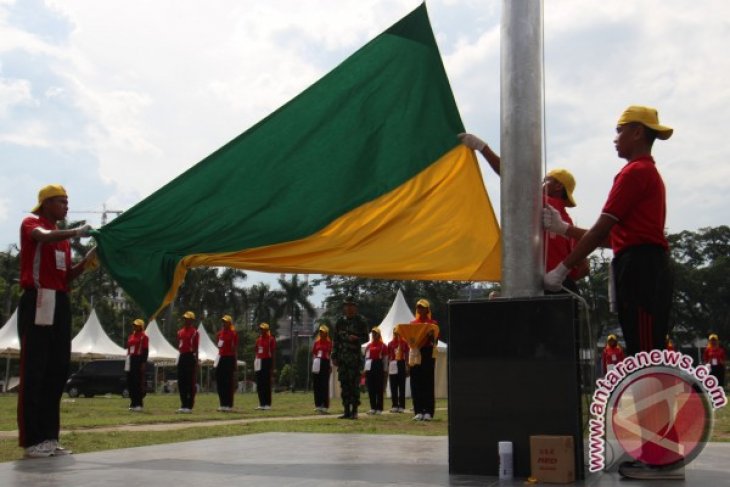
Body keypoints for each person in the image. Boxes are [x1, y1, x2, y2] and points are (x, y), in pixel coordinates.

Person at [543, 105, 676, 479]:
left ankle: (661, 458)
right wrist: (566, 231)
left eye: (619, 131)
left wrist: (563, 267)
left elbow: (604, 230)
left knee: (647, 362)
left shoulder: (635, 172)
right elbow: (614, 235)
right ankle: (658, 452)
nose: (615, 139)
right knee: (643, 359)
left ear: (636, 132)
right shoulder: (640, 173)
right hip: (635, 264)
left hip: (642, 269)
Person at [17, 184, 95, 458]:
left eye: (67, 201)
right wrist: (76, 232)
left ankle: (49, 438)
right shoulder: (32, 223)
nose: (66, 207)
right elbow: (41, 236)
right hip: (39, 298)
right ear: (46, 203)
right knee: (35, 370)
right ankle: (31, 440)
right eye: (61, 202)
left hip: (60, 300)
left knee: (57, 370)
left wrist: (88, 260)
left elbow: (66, 278)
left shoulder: (62, 241)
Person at [459, 133, 589, 291]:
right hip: (563, 287)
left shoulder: (545, 204)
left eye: (546, 180)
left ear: (558, 186)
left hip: (541, 287)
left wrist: (482, 147)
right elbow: (584, 267)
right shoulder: (567, 222)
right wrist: (561, 277)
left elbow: (512, 178)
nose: (540, 184)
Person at [332, 296, 369, 419]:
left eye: (351, 306)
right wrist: (334, 355)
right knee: (344, 385)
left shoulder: (360, 321)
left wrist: (357, 339)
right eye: (347, 306)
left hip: (354, 359)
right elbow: (335, 340)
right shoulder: (340, 322)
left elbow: (366, 338)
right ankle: (346, 410)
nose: (349, 308)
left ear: (355, 307)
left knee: (354, 385)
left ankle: (355, 411)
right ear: (344, 308)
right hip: (342, 359)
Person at [409, 299, 439, 421]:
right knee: (416, 382)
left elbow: (435, 341)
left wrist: (431, 336)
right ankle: (418, 410)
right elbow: (409, 339)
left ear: (427, 309)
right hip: (416, 352)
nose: (420, 309)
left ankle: (428, 412)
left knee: (427, 382)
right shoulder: (412, 323)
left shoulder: (433, 323)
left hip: (427, 354)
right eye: (418, 307)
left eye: (423, 307)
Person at [176, 311, 199, 413]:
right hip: (182, 356)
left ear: (192, 320)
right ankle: (183, 404)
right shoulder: (180, 332)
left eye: (188, 319)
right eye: (185, 318)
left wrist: (196, 360)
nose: (186, 320)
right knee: (181, 382)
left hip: (190, 356)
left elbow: (196, 348)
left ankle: (189, 405)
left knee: (190, 382)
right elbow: (180, 345)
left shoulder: (195, 332)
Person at [215, 315, 238, 412]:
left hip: (229, 358)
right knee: (220, 382)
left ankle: (229, 404)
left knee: (228, 382)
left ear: (230, 323)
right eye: (223, 321)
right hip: (220, 358)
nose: (224, 323)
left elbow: (235, 348)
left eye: (226, 322)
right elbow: (219, 345)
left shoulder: (233, 334)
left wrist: (235, 361)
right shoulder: (219, 334)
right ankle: (222, 404)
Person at [126, 318, 149, 412]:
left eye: (136, 325)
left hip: (138, 359)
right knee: (130, 382)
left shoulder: (144, 337)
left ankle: (139, 403)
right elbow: (128, 349)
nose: (134, 326)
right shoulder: (131, 336)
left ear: (141, 327)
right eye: (134, 325)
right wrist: (127, 361)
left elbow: (145, 351)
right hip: (131, 359)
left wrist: (143, 362)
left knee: (137, 382)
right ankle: (133, 402)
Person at [364, 327, 387, 415]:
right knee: (371, 388)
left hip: (378, 366)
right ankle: (373, 407)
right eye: (373, 333)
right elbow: (366, 358)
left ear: (379, 335)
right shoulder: (369, 346)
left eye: (375, 333)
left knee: (379, 388)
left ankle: (379, 408)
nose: (374, 335)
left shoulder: (383, 345)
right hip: (369, 367)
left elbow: (385, 359)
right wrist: (365, 369)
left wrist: (385, 370)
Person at [311, 323, 333, 414]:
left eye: (322, 332)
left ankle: (325, 405)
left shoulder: (329, 343)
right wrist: (314, 365)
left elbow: (331, 355)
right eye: (320, 332)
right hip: (317, 363)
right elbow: (314, 354)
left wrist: (330, 366)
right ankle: (318, 405)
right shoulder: (316, 342)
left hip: (325, 363)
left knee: (324, 385)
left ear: (326, 333)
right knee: (317, 385)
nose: (321, 333)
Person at [387, 326, 409, 413]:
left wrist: (407, 366)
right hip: (392, 363)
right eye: (395, 333)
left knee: (401, 385)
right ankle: (394, 405)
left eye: (398, 333)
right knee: (393, 385)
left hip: (401, 363)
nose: (396, 334)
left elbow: (407, 355)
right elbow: (389, 355)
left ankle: (402, 406)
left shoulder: (404, 343)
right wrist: (388, 366)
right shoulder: (390, 343)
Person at [254, 322, 276, 410]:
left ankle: (267, 404)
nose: (261, 331)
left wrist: (273, 366)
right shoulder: (258, 340)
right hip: (259, 361)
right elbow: (256, 351)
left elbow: (273, 353)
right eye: (260, 329)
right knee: (260, 384)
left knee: (266, 383)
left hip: (267, 361)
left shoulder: (271, 339)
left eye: (263, 329)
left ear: (267, 330)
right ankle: (261, 403)